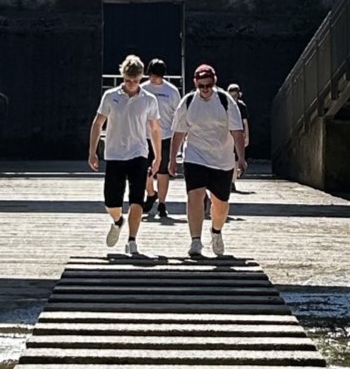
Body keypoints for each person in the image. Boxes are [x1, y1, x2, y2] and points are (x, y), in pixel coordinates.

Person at [169, 63, 246, 257]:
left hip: (222, 158)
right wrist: (172, 159)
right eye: (201, 85)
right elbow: (178, 133)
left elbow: (237, 132)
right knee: (195, 195)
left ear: (215, 82)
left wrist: (241, 159)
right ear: (195, 83)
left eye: (208, 85)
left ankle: (216, 231)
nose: (205, 89)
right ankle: (195, 240)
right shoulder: (187, 102)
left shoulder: (226, 101)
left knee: (220, 204)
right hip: (195, 155)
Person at [89, 55, 162, 256]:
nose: (131, 84)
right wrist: (92, 151)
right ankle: (117, 221)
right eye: (128, 80)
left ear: (141, 79)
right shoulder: (111, 96)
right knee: (111, 202)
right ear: (123, 77)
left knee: (137, 199)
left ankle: (132, 240)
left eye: (135, 81)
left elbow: (155, 129)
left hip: (138, 153)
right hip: (114, 154)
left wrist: (158, 156)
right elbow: (98, 123)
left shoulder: (149, 99)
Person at [142, 58, 180, 219]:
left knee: (163, 171)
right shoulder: (142, 89)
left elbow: (178, 115)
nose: (155, 79)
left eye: (158, 76)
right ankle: (151, 193)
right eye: (152, 75)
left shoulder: (171, 91)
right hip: (144, 136)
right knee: (144, 170)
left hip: (165, 136)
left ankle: (162, 203)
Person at [227, 82, 251, 193]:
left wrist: (246, 137)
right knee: (229, 157)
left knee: (236, 159)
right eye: (231, 96)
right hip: (227, 135)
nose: (233, 99)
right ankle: (228, 180)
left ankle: (232, 181)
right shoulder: (225, 105)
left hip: (238, 134)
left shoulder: (241, 106)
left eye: (235, 96)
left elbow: (245, 122)